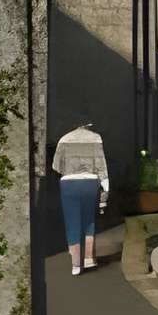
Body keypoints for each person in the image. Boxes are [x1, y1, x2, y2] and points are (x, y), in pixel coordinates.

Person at [51, 118, 109, 275]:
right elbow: (101, 164)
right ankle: (89, 258)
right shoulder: (96, 138)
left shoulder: (64, 139)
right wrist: (105, 185)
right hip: (90, 182)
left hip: (69, 184)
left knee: (72, 221)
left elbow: (56, 166)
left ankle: (76, 264)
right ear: (87, 125)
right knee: (89, 219)